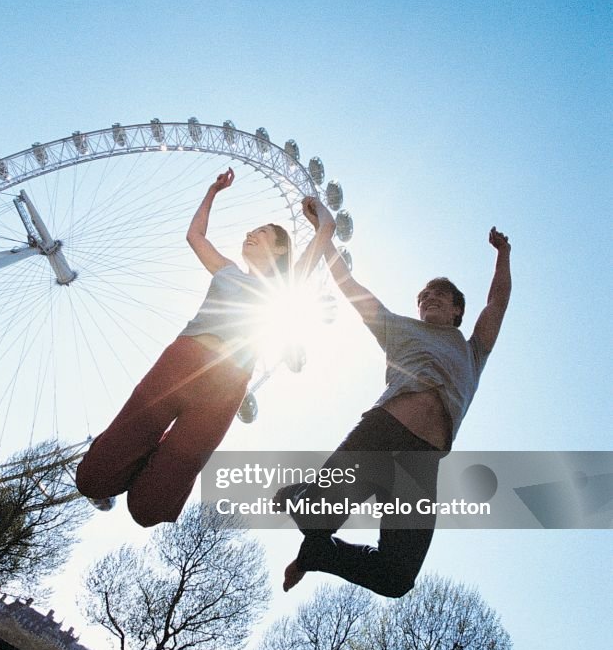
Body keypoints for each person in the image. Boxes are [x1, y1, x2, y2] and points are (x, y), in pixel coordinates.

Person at [76, 168, 335, 528]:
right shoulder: (227, 271)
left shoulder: (288, 286)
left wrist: (317, 210)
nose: (249, 233)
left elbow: (327, 231)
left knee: (149, 510)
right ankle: (143, 446)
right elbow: (194, 235)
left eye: (260, 232)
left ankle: (161, 451)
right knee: (91, 480)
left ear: (278, 248)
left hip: (225, 386)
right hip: (181, 363)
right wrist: (213, 192)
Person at [275, 218, 512, 597]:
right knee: (311, 517)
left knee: (397, 579)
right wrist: (326, 235)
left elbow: (496, 304)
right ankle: (303, 498)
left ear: (456, 311)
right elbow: (352, 289)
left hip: (420, 464)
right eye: (423, 297)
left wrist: (504, 255)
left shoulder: (473, 350)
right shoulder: (398, 328)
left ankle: (317, 554)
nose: (428, 299)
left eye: (439, 295)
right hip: (380, 435)